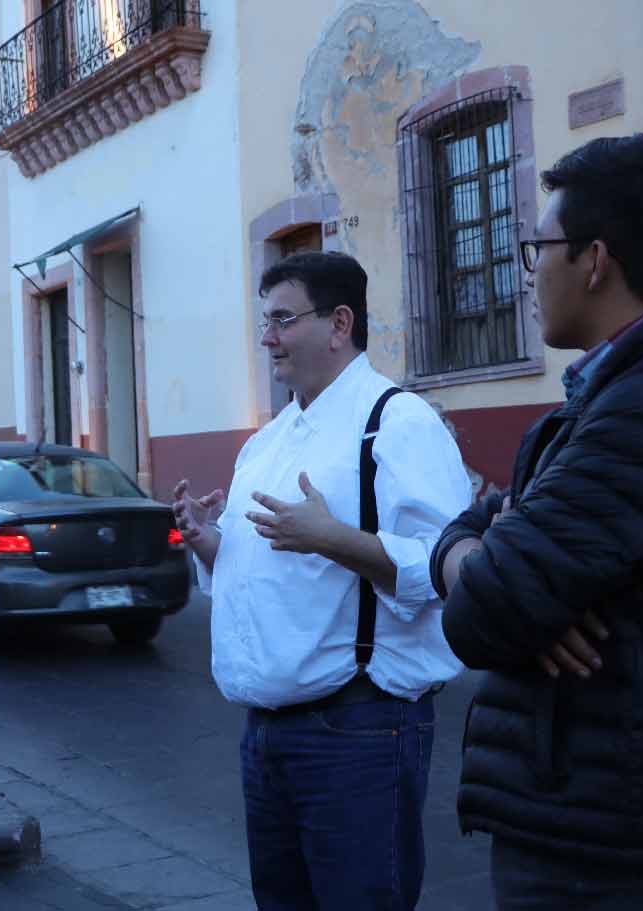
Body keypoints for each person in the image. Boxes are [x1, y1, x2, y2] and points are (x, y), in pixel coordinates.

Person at [430, 134, 643, 910]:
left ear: (593, 261)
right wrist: (481, 552)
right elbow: (479, 528)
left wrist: (488, 569)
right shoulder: (626, 392)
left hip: (606, 829)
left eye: (537, 248)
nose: (529, 274)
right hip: (602, 803)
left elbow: (481, 613)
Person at [172, 252, 472, 910]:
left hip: (360, 729)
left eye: (282, 319)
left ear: (339, 323)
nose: (267, 337)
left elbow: (448, 566)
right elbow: (264, 573)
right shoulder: (269, 442)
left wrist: (333, 537)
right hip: (269, 736)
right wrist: (208, 541)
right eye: (265, 320)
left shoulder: (397, 423)